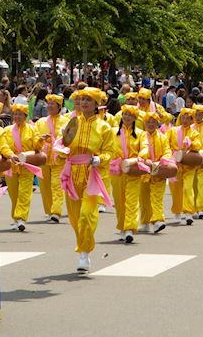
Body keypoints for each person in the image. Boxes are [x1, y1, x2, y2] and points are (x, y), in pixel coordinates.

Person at [58, 88, 115, 273]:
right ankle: (83, 247)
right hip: (72, 172)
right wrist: (61, 144)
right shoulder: (71, 123)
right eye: (82, 99)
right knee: (75, 217)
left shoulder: (104, 127)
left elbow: (109, 151)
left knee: (86, 215)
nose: (83, 103)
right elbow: (61, 148)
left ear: (97, 104)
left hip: (92, 174)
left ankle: (84, 253)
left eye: (88, 100)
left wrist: (100, 159)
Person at [109, 105, 144, 244]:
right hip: (117, 170)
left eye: (130, 115)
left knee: (132, 199)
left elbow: (145, 148)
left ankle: (130, 228)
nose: (127, 117)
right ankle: (122, 227)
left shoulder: (140, 133)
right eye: (125, 114)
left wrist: (138, 158)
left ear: (135, 118)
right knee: (119, 200)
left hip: (133, 169)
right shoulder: (112, 131)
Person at [6, 103, 42, 232]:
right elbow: (3, 145)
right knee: (14, 194)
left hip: (27, 165)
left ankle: (21, 218)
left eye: (20, 114)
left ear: (25, 116)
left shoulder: (32, 129)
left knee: (24, 193)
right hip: (12, 165)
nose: (17, 117)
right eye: (15, 114)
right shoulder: (7, 130)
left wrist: (41, 140)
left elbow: (37, 146)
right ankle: (16, 219)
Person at [36, 93, 69, 223]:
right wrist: (40, 139)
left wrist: (55, 141)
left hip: (58, 158)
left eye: (52, 104)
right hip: (43, 158)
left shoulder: (66, 121)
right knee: (44, 186)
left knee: (57, 185)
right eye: (48, 103)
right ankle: (49, 211)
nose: (49, 106)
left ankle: (56, 211)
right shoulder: (41, 122)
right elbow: (35, 138)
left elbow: (68, 139)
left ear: (59, 106)